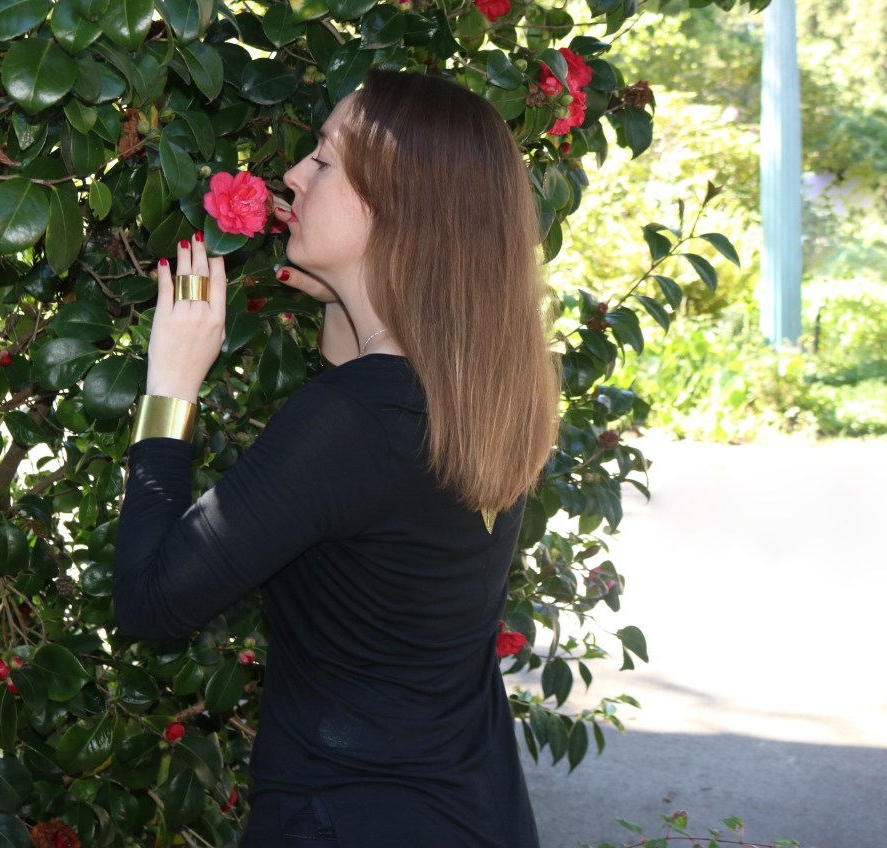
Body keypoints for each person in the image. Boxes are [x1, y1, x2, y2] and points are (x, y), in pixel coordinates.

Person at [114, 69, 559, 847]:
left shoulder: (354, 421)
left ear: (394, 207)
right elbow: (368, 527)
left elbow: (150, 603)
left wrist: (171, 386)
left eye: (323, 160)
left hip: (344, 817)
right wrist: (348, 306)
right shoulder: (482, 391)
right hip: (471, 812)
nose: (292, 174)